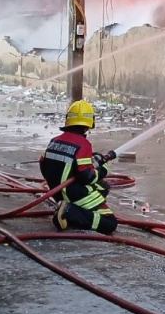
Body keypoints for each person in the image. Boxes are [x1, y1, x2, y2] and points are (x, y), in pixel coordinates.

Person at [39, 99, 118, 235]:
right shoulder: (83, 144)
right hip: (72, 193)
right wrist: (103, 170)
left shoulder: (54, 141)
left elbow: (42, 163)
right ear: (90, 122)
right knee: (109, 223)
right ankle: (69, 211)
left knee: (103, 186)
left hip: (57, 191)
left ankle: (69, 208)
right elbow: (86, 177)